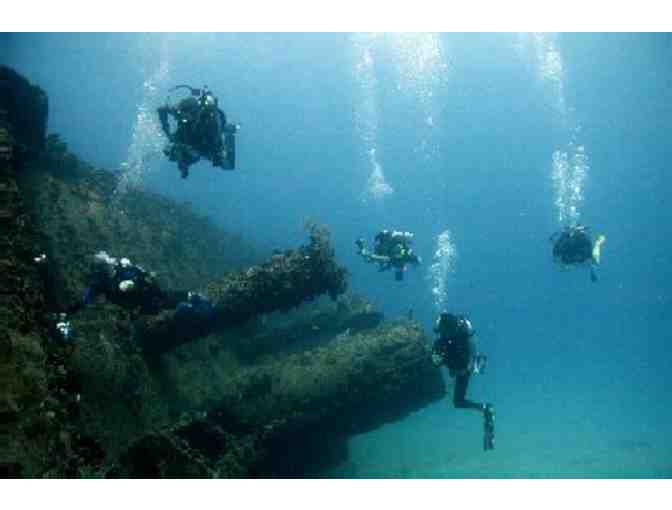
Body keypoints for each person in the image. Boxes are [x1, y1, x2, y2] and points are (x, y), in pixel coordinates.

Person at [431, 312, 495, 451]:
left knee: (458, 402)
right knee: (458, 401)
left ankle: (485, 408)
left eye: (443, 332)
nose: (442, 334)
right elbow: (439, 360)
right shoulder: (450, 337)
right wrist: (437, 358)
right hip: (461, 366)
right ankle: (485, 408)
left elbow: (468, 355)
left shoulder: (460, 336)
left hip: (465, 368)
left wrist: (465, 369)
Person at [158, 85, 239, 178]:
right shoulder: (182, 113)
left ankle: (228, 129)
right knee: (172, 150)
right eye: (181, 117)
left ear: (196, 114)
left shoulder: (210, 124)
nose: (183, 119)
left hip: (206, 143)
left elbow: (206, 149)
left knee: (222, 161)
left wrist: (187, 154)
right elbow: (162, 110)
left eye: (186, 118)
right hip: (190, 138)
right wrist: (167, 132)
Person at [81, 251, 186, 314]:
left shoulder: (118, 268)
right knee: (164, 302)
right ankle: (186, 302)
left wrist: (144, 274)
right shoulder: (112, 283)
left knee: (166, 297)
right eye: (107, 260)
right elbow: (132, 286)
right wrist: (143, 277)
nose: (111, 259)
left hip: (148, 293)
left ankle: (188, 298)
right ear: (105, 267)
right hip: (145, 300)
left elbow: (139, 275)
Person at [356, 229, 421, 281]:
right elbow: (389, 258)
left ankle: (361, 246)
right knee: (371, 259)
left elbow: (392, 261)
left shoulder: (405, 256)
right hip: (386, 247)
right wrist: (371, 256)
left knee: (370, 260)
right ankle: (363, 248)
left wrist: (386, 267)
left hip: (386, 245)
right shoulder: (404, 255)